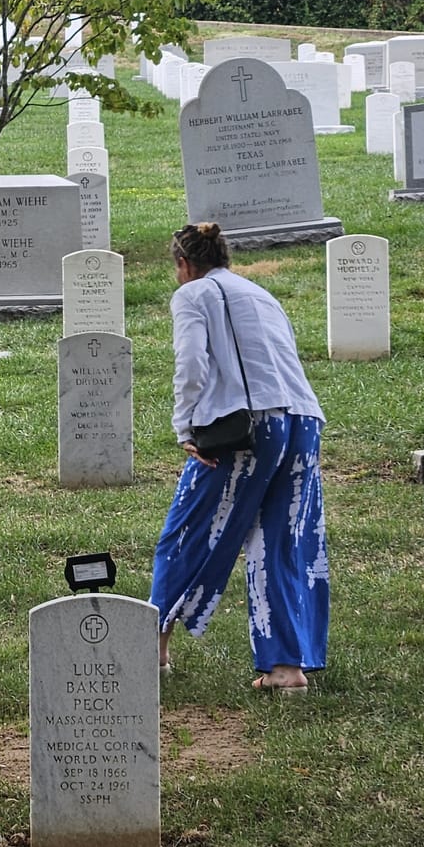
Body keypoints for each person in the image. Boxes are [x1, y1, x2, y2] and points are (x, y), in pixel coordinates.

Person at [151, 223, 329, 693]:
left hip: (246, 427)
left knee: (186, 532)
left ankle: (154, 646)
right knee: (281, 542)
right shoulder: (261, 293)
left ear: (184, 265)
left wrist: (186, 428)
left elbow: (192, 364)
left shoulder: (193, 295)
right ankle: (286, 669)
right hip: (305, 419)